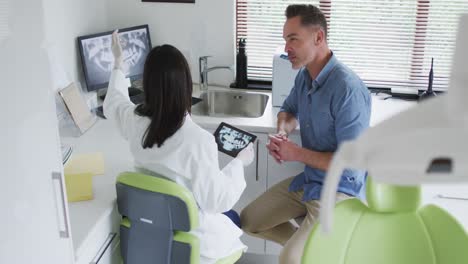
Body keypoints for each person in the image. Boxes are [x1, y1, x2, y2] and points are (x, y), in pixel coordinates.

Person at [104, 31, 254, 264]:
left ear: (147, 84)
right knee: (233, 218)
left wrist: (118, 63)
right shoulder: (198, 140)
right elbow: (217, 201)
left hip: (150, 237)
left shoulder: (135, 121)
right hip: (190, 246)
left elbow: (114, 102)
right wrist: (239, 162)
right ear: (185, 85)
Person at [240, 4, 371, 264]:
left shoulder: (347, 90)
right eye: (285, 40)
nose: (286, 48)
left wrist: (296, 153)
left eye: (293, 39)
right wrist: (281, 132)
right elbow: (288, 111)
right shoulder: (305, 77)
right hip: (310, 182)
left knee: (289, 259)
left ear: (318, 38)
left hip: (340, 190)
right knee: (249, 221)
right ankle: (311, 247)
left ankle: (306, 250)